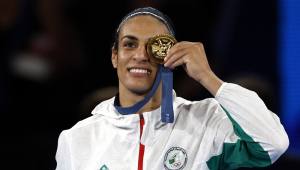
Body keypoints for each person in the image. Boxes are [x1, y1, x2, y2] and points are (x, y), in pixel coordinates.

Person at [55, 7, 289, 170]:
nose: (140, 55)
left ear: (169, 54)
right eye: (129, 44)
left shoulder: (206, 122)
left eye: (153, 46)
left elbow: (272, 144)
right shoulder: (76, 138)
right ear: (115, 57)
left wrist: (208, 77)